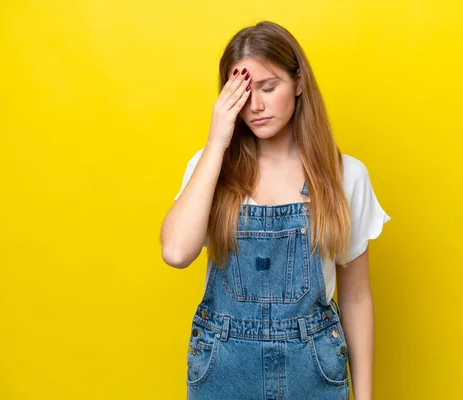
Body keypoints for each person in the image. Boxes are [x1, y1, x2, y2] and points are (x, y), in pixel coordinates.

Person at [160, 20, 390, 400]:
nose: (256, 106)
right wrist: (218, 139)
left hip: (314, 371)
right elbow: (176, 252)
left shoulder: (345, 175)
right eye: (243, 93)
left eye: (269, 88)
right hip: (224, 369)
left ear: (299, 82)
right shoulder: (209, 169)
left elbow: (356, 298)